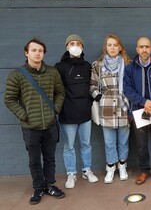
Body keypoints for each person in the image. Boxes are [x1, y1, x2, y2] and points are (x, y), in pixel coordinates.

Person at [4, 38, 66, 204]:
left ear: (44, 53)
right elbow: (9, 99)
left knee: (50, 158)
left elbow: (60, 92)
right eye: (34, 50)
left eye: (40, 50)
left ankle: (50, 185)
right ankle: (38, 188)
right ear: (26, 53)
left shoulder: (52, 72)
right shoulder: (17, 75)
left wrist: (55, 110)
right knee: (34, 160)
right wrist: (24, 115)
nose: (37, 53)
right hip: (30, 127)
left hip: (50, 125)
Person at [123, 36, 151, 185]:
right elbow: (127, 90)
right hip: (138, 111)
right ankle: (144, 171)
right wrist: (144, 102)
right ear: (137, 49)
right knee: (141, 145)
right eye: (141, 47)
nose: (144, 49)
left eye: (147, 47)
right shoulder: (130, 68)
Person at [55, 34, 98, 189]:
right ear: (67, 47)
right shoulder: (59, 67)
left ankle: (87, 170)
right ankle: (71, 173)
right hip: (67, 114)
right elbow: (56, 90)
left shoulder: (87, 66)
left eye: (78, 43)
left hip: (85, 113)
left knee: (86, 144)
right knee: (69, 146)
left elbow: (92, 87)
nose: (75, 46)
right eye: (72, 43)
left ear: (82, 47)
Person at [90, 34, 131, 184]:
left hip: (123, 106)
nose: (112, 48)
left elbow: (132, 86)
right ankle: (111, 167)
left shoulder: (128, 64)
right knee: (109, 141)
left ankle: (122, 166)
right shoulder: (98, 65)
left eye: (115, 45)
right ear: (105, 47)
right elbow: (92, 86)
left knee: (123, 140)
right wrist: (100, 98)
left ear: (120, 47)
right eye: (109, 45)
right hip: (106, 107)